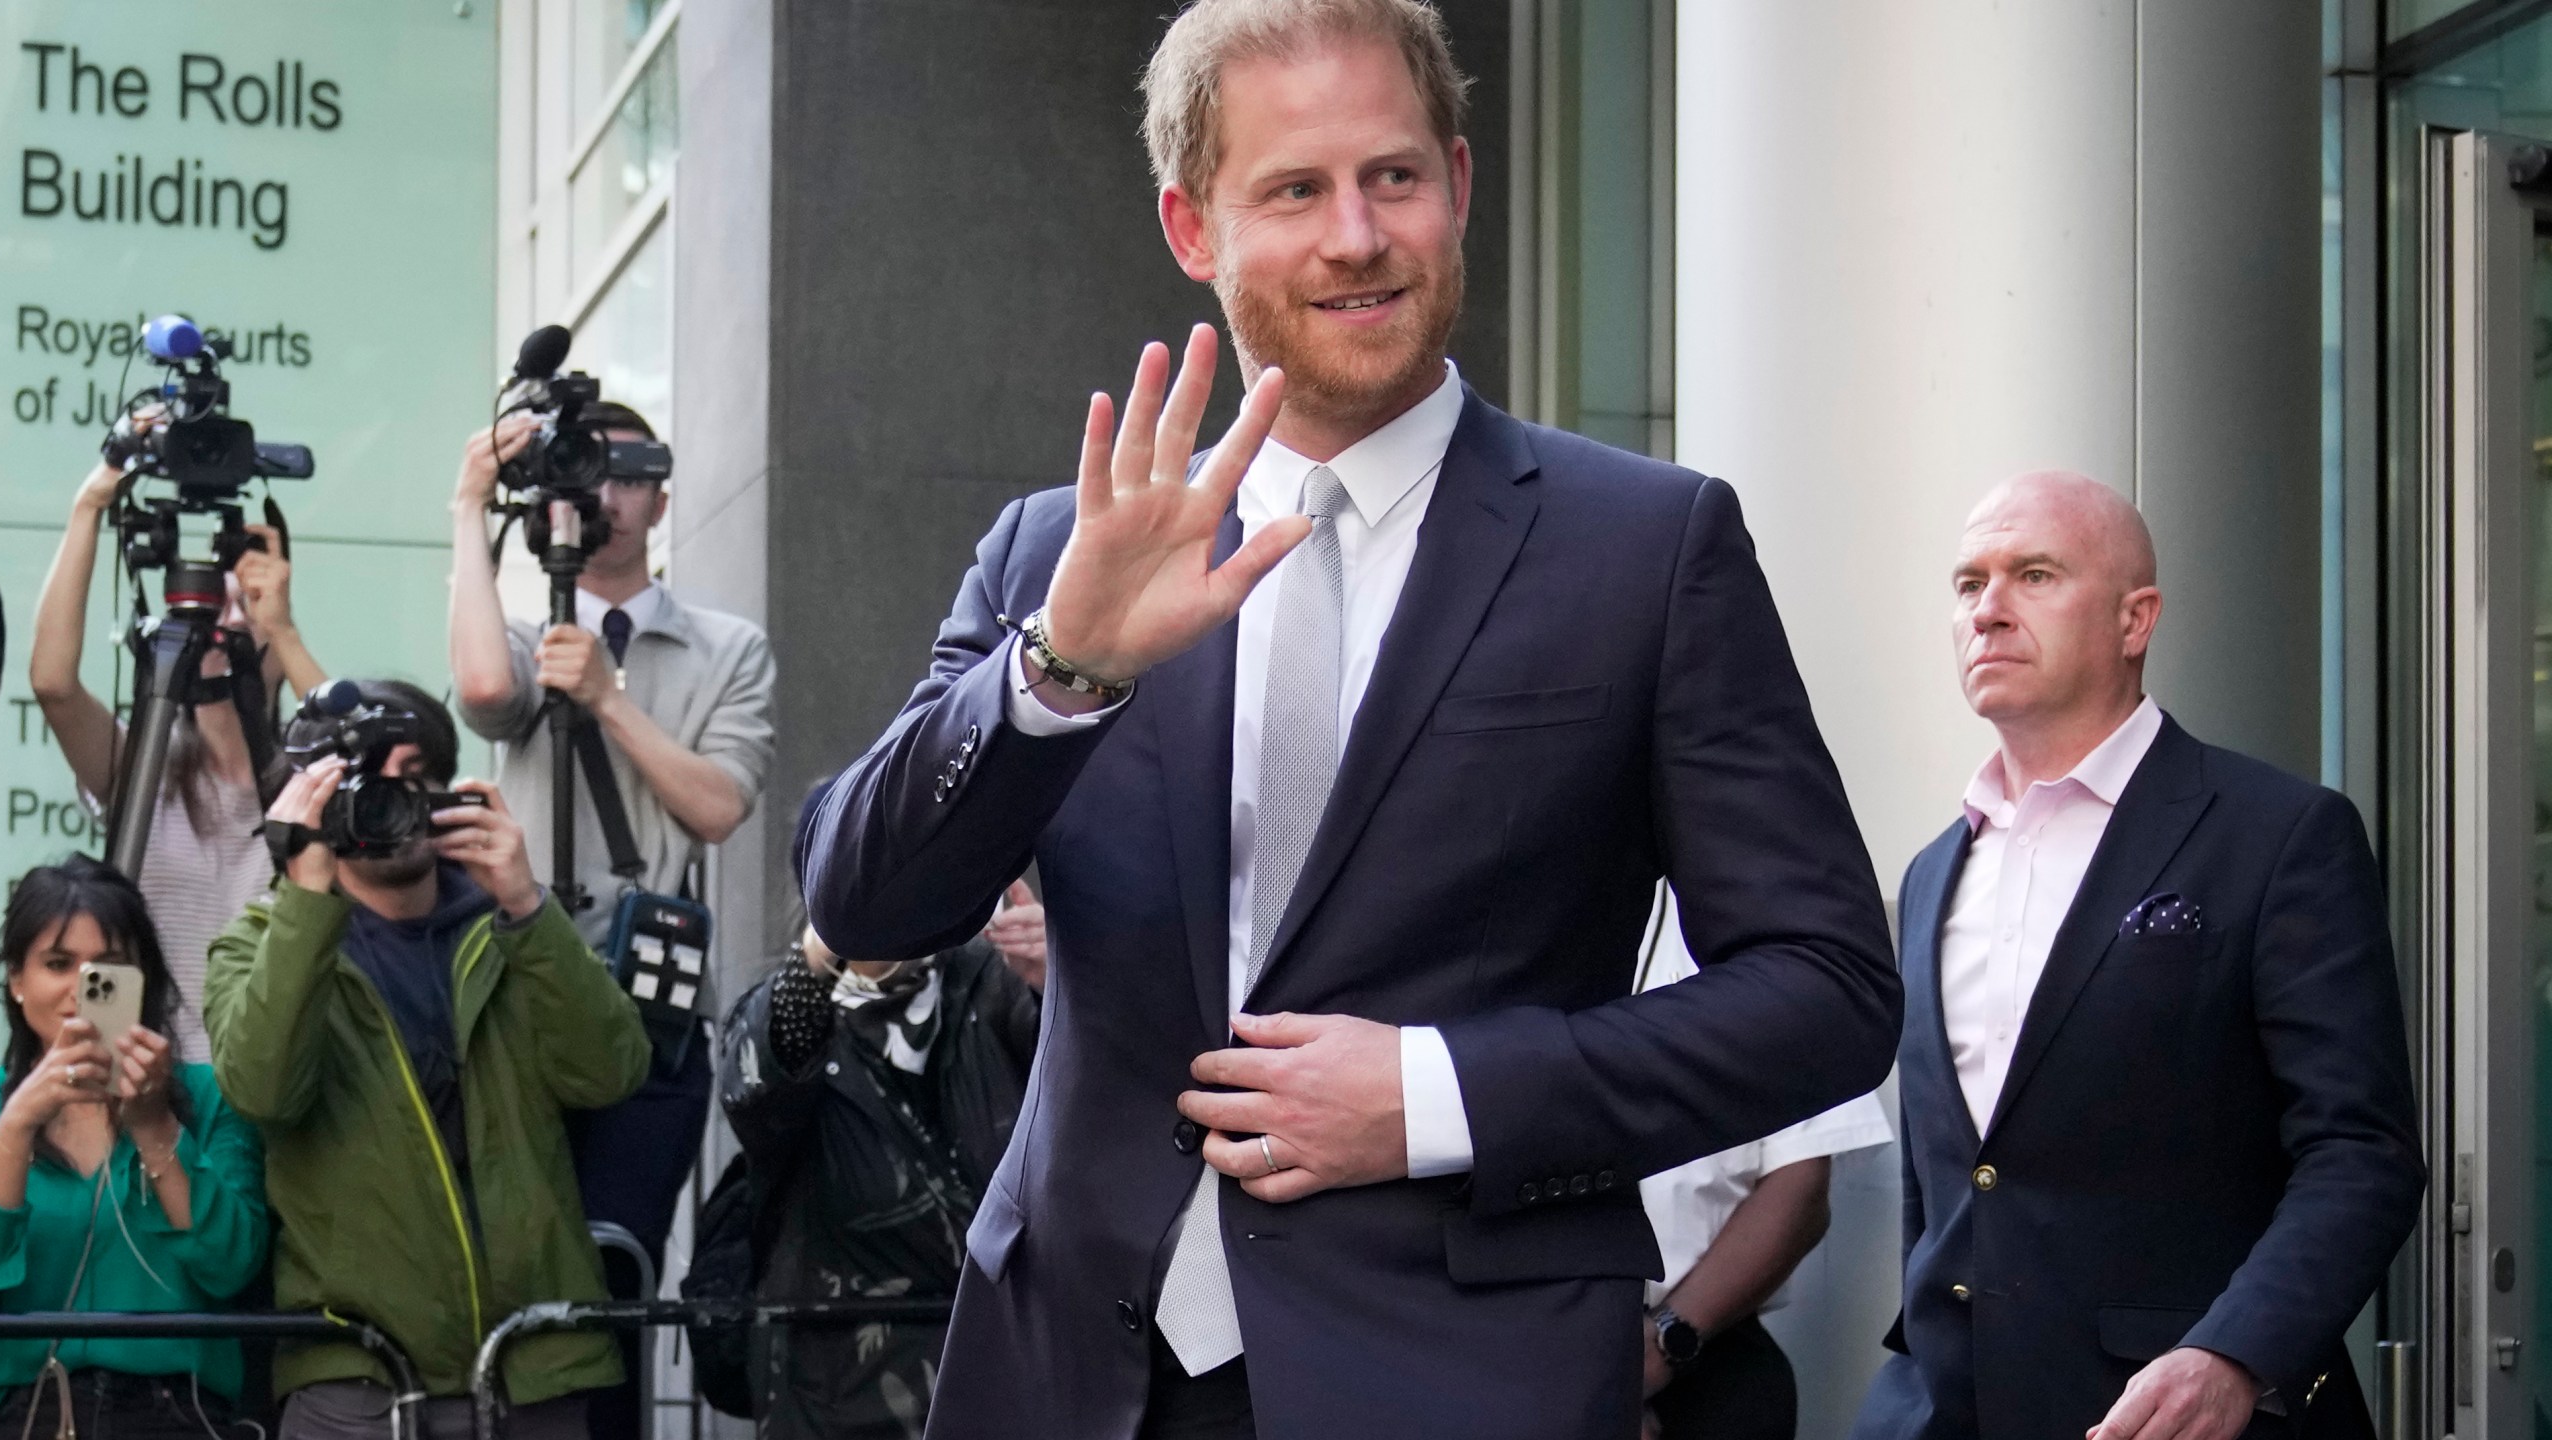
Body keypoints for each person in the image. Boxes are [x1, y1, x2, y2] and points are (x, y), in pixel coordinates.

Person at [793, 2, 1901, 1435]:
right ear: (1195, 228)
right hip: (1073, 1372)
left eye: (1393, 178)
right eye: (1295, 191)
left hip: (1459, 1376)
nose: (1357, 237)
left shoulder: (1647, 548)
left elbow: (1827, 992)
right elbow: (862, 898)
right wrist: (1059, 669)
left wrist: (1442, 1093)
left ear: (1459, 181)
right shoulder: (1061, 554)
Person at [1850, 472, 2425, 1440]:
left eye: (2032, 575)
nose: (1987, 610)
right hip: (1942, 1415)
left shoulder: (2279, 836)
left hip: (2184, 1417)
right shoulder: (1928, 873)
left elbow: (2360, 1152)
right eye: (1966, 584)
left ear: (2134, 620)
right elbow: (1947, 1179)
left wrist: (2237, 1352)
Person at [204, 680, 651, 1440]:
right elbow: (265, 1092)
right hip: (358, 1377)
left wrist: (527, 908)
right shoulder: (259, 947)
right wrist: (306, 898)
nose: (394, 805)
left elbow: (612, 1072)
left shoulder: (515, 931)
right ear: (316, 806)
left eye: (414, 779)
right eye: (368, 787)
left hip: (534, 1371)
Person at [448, 400, 774, 1434]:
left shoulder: (727, 647)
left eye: (624, 472)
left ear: (661, 495)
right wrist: (468, 507)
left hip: (651, 1011)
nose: (602, 494)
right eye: (578, 474)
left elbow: (719, 806)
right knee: (514, 1264)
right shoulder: (516, 628)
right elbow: (481, 688)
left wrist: (608, 696)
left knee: (614, 1266)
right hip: (519, 985)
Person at [32, 449, 327, 1057]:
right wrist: (89, 508)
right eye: (206, 609)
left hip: (273, 1071)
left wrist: (286, 631)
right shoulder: (147, 768)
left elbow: (358, 753)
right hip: (144, 1069)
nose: (218, 628)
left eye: (239, 608)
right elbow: (54, 686)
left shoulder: (309, 777)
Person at [718, 915, 1041, 1439]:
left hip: (996, 1363)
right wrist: (822, 951)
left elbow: (1097, 1088)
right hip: (834, 1381)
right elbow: (754, 1091)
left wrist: (1059, 976)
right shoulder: (796, 1008)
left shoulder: (990, 979)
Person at [0, 855, 268, 1438]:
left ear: (143, 981)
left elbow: (232, 1265)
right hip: (27, 1412)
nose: (79, 990)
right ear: (17, 980)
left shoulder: (209, 1096)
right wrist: (16, 1128)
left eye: (109, 968)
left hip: (179, 1412)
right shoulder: (0, 1110)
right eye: (57, 964)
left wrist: (153, 1123)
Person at [1630, 889, 1892, 1440]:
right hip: (1512, 1352)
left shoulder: (1756, 934)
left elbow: (1799, 1185)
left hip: (1699, 1346)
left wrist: (1655, 1353)